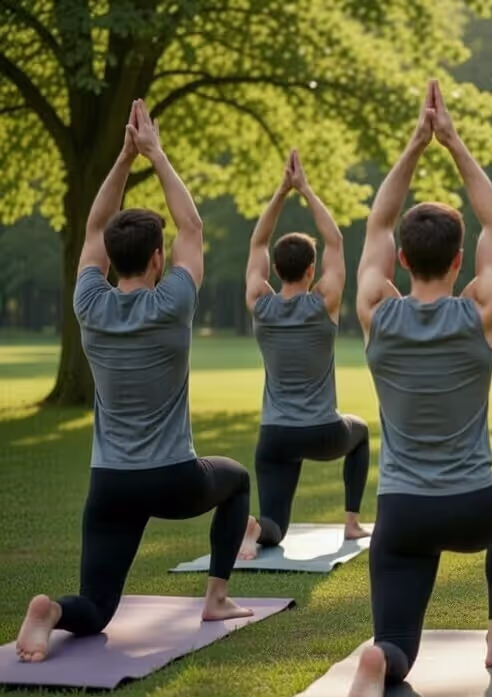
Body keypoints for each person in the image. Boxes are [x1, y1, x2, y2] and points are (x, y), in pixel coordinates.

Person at [15, 101, 254, 662]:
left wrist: (123, 158)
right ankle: (216, 599)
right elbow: (191, 226)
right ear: (156, 257)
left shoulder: (89, 303)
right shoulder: (173, 302)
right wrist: (155, 152)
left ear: (109, 260)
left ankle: (50, 608)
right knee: (238, 480)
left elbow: (96, 225)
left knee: (96, 609)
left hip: (110, 484)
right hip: (173, 479)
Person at [345, 81, 492, 697]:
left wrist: (414, 147)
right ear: (459, 261)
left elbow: (377, 220)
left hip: (401, 516)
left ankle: (381, 660)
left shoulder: (377, 312)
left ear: (400, 261)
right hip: (475, 508)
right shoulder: (480, 311)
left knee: (398, 639)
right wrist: (452, 140)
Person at [237, 149, 371, 558]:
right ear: (312, 270)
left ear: (275, 271)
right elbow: (336, 239)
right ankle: (350, 522)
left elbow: (258, 240)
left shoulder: (260, 301)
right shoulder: (324, 302)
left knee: (276, 528)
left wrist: (282, 191)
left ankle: (256, 527)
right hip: (321, 432)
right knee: (361, 431)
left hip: (274, 435)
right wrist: (306, 189)